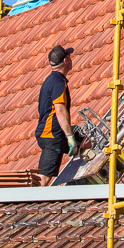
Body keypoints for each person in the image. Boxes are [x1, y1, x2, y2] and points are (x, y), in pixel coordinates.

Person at [35, 45, 79, 186]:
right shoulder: (58, 82)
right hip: (51, 135)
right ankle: (31, 203)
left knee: (83, 142)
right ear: (65, 61)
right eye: (69, 57)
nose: (71, 60)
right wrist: (70, 138)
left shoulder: (50, 81)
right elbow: (60, 111)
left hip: (52, 133)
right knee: (44, 178)